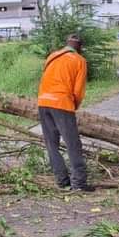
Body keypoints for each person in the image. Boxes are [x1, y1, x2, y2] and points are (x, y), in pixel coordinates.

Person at [37, 34, 91, 192]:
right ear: (79, 47)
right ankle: (79, 183)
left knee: (51, 144)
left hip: (43, 102)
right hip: (61, 103)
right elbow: (78, 90)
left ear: (66, 44)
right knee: (72, 143)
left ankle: (62, 181)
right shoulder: (79, 60)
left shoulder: (52, 56)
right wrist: (73, 105)